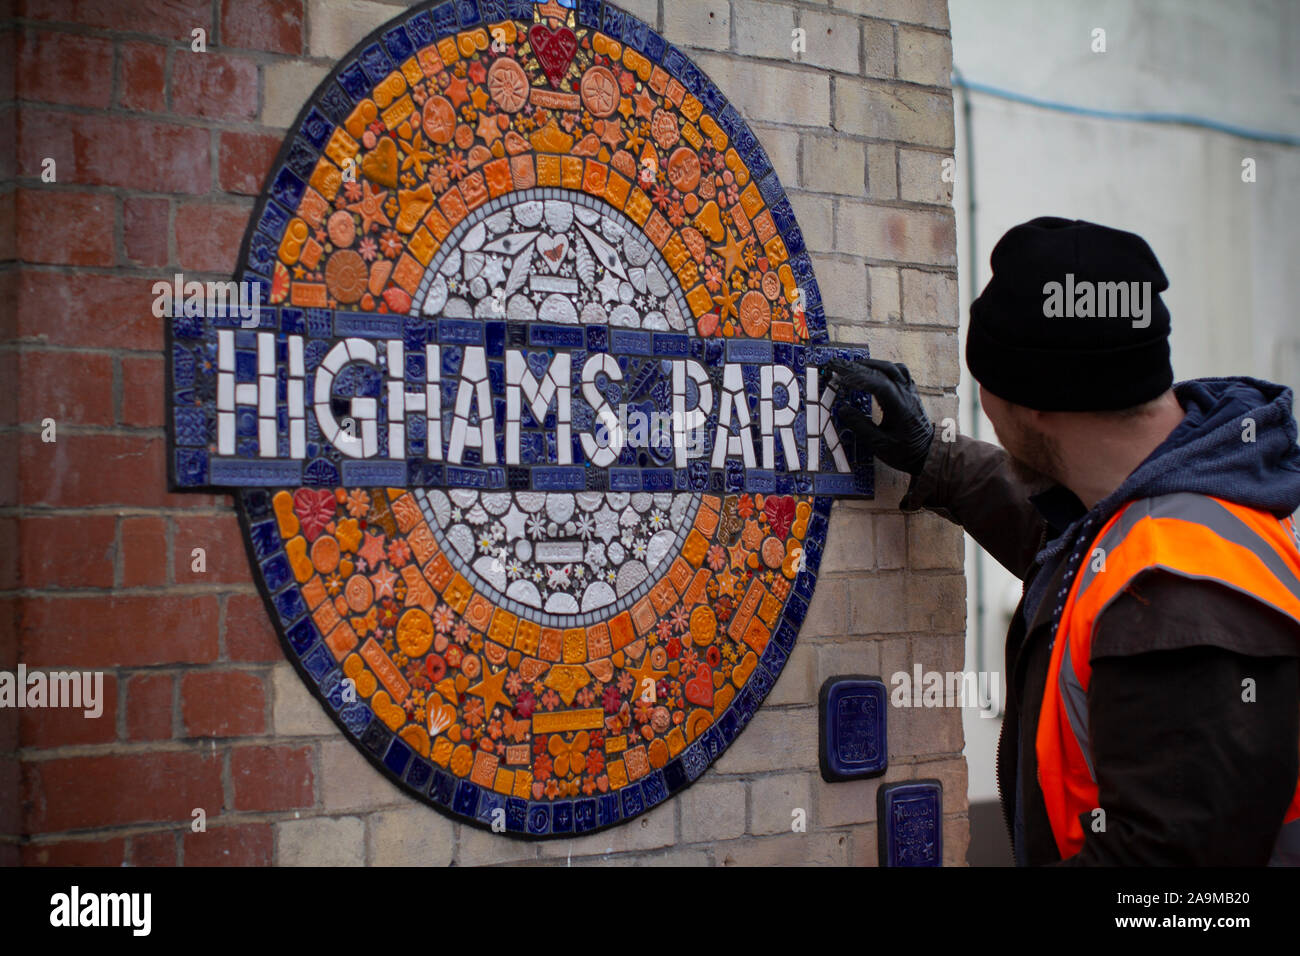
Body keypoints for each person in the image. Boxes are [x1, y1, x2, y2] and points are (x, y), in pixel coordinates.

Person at [825, 217, 1300, 866]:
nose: (983, 405)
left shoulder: (1180, 601)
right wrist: (931, 456)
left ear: (1039, 404)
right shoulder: (1169, 503)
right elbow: (1068, 541)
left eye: (986, 388)